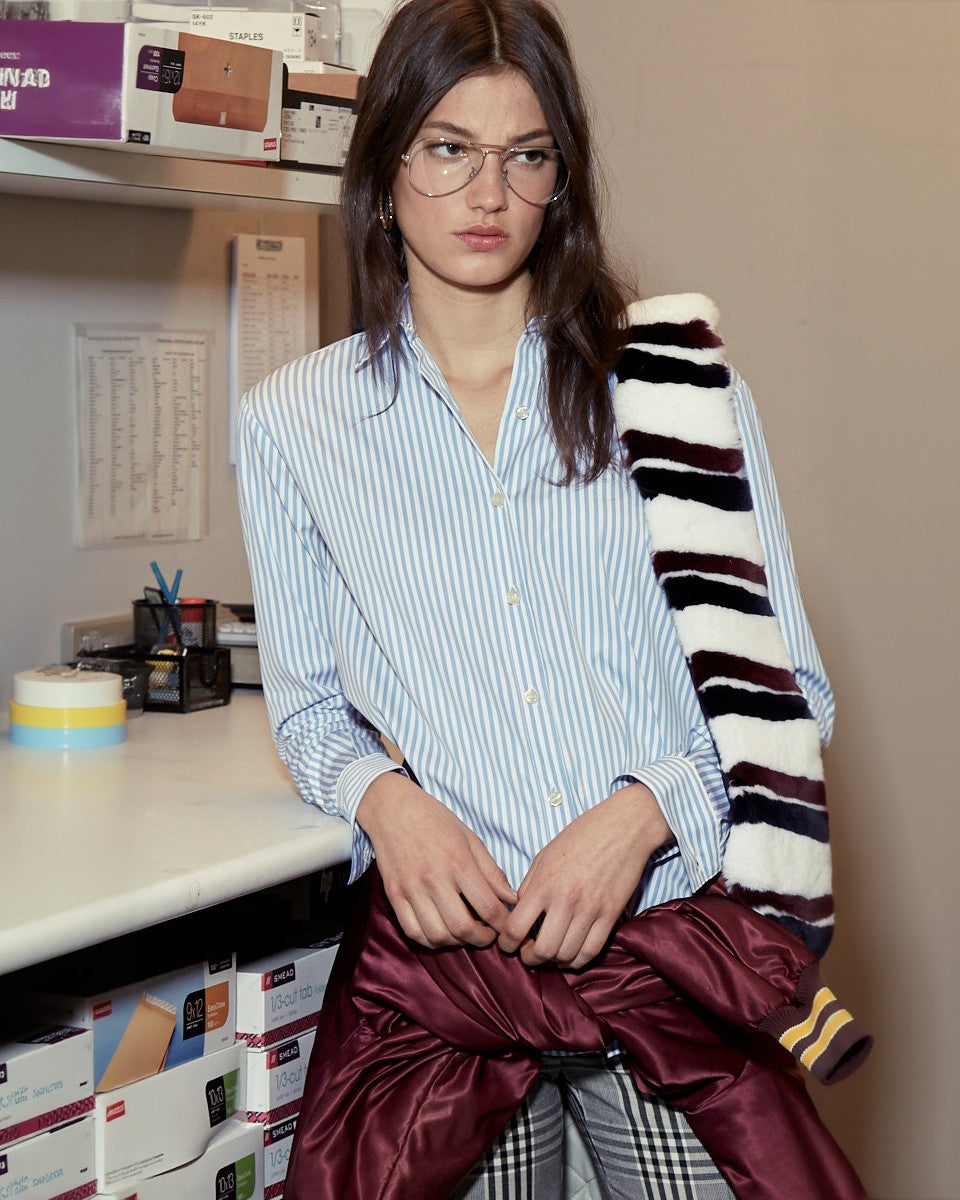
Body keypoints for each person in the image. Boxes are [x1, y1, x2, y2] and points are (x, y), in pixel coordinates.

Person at [236, 1, 866, 1196]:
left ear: (560, 181)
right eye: (447, 149)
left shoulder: (675, 386)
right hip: (450, 980)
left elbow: (789, 694)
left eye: (526, 155)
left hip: (662, 956)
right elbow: (310, 709)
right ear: (384, 171)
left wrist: (642, 813)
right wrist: (386, 803)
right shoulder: (293, 423)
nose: (488, 192)